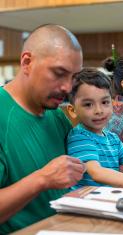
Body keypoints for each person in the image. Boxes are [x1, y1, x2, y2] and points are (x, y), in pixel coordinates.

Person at [0, 24, 86, 234]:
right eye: (59, 73)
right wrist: (42, 179)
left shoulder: (57, 115)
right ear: (27, 62)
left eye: (74, 77)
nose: (67, 87)